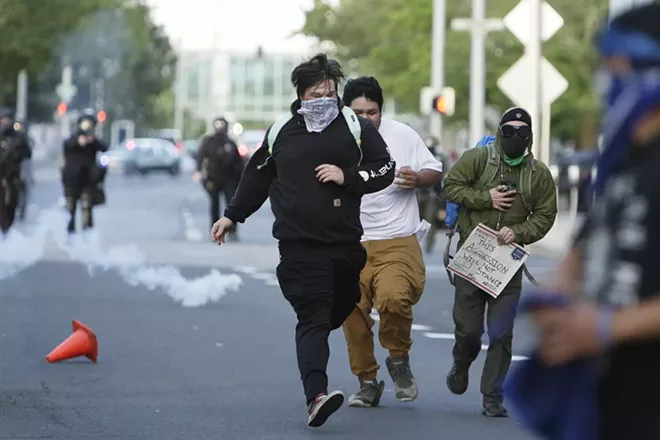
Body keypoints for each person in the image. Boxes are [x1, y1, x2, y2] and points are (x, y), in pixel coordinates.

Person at [210, 54, 395, 427]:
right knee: (312, 316)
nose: (324, 99)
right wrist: (232, 215)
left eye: (330, 92)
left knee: (338, 307)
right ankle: (316, 396)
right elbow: (257, 177)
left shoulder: (356, 126)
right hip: (298, 246)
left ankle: (315, 341)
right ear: (301, 94)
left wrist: (348, 176)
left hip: (345, 246)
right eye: (316, 93)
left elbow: (385, 169)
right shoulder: (282, 130)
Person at [527, 5, 660, 438]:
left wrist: (607, 327)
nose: (605, 79)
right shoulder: (625, 161)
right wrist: (559, 296)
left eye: (615, 65)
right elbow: (587, 246)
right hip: (613, 400)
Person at [442, 107, 557, 417]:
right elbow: (450, 186)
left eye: (522, 131)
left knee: (501, 332)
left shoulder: (539, 174)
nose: (515, 137)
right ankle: (461, 363)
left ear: (530, 136)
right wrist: (485, 198)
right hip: (473, 257)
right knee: (468, 331)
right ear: (499, 131)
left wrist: (518, 232)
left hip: (507, 264)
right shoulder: (478, 158)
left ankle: (492, 396)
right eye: (508, 130)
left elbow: (546, 215)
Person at [340, 76, 442, 407]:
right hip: (349, 242)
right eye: (359, 112)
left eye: (373, 111)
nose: (367, 118)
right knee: (351, 312)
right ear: (346, 112)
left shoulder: (402, 135)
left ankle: (399, 359)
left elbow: (434, 170)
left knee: (395, 298)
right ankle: (367, 381)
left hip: (396, 238)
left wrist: (418, 179)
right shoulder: (333, 141)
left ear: (381, 111)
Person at [194, 116, 243, 239]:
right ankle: (215, 230)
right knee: (214, 204)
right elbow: (200, 156)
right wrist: (198, 171)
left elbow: (239, 162)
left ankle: (232, 231)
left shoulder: (230, 143)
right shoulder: (208, 141)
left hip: (230, 179)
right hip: (213, 178)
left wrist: (242, 177)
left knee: (231, 205)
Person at [61, 111, 108, 234]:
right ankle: (70, 235)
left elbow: (105, 147)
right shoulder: (72, 140)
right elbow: (67, 145)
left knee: (87, 208)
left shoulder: (93, 142)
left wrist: (92, 141)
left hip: (87, 181)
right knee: (70, 209)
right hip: (72, 181)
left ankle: (87, 237)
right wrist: (78, 141)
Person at [0, 108, 31, 234]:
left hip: (13, 175)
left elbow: (28, 154)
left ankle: (8, 227)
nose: (6, 122)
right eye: (3, 119)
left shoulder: (18, 137)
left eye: (8, 119)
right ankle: (4, 228)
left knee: (12, 203)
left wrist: (19, 147)